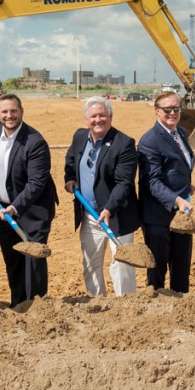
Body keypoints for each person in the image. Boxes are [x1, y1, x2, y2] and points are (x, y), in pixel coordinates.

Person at [0, 93, 57, 306]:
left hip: (33, 212)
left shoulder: (35, 141)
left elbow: (37, 183)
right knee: (14, 261)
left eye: (13, 111)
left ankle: (37, 306)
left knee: (33, 262)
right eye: (4, 111)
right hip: (3, 210)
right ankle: (18, 304)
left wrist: (15, 207)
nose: (9, 115)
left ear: (21, 112)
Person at [64, 97, 140, 297]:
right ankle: (98, 302)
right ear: (86, 119)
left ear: (111, 117)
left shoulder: (124, 144)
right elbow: (71, 159)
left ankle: (126, 305)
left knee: (122, 264)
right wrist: (70, 178)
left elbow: (124, 182)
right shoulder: (80, 137)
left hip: (117, 216)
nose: (98, 120)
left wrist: (108, 209)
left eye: (102, 115)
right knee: (91, 263)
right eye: (93, 116)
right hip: (89, 215)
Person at [138, 90, 195, 293]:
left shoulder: (181, 133)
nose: (173, 112)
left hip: (181, 215)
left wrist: (186, 186)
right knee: (157, 271)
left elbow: (178, 167)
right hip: (158, 217)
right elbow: (151, 181)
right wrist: (177, 199)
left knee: (181, 269)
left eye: (176, 108)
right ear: (156, 111)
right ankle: (156, 317)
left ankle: (182, 312)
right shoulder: (149, 141)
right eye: (167, 109)